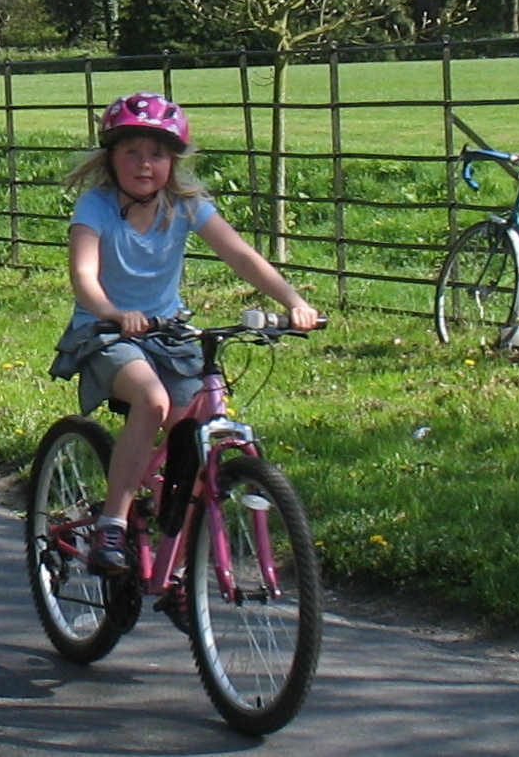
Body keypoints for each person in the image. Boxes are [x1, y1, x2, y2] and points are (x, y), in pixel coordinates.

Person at [50, 91, 319, 576]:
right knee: (151, 401)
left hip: (168, 332)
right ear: (110, 157)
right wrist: (115, 311)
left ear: (174, 163)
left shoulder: (185, 205)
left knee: (194, 433)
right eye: (131, 151)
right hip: (106, 332)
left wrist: (293, 302)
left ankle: (177, 543)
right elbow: (84, 278)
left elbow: (241, 256)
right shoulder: (97, 205)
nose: (145, 164)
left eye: (158, 154)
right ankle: (113, 521)